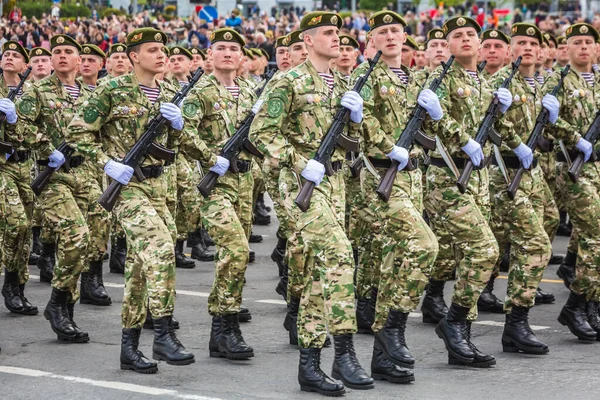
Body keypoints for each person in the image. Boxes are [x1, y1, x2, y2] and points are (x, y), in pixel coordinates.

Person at [250, 11, 374, 395]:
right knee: (338, 256)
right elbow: (261, 133)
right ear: (306, 41)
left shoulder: (343, 82)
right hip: (299, 187)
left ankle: (309, 366)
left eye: (338, 32)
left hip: (335, 184)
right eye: (327, 33)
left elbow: (357, 138)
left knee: (318, 276)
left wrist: (356, 117)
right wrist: (302, 161)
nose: (337, 38)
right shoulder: (287, 81)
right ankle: (344, 353)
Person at [67, 27, 195, 373]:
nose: (160, 55)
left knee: (139, 270)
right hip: (126, 190)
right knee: (160, 250)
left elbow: (187, 144)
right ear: (134, 56)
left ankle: (129, 347)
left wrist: (181, 125)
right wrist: (106, 163)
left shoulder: (171, 92)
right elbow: (78, 132)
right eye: (152, 49)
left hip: (160, 190)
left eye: (162, 49)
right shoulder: (112, 89)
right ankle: (164, 332)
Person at [350, 10, 439, 383]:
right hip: (379, 177)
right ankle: (393, 328)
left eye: (395, 31)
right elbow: (362, 122)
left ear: (405, 36)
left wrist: (434, 113)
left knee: (392, 263)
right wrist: (389, 147)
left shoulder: (414, 77)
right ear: (371, 40)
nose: (389, 37)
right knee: (424, 246)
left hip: (413, 179)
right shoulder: (364, 76)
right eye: (381, 32)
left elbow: (428, 127)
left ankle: (382, 358)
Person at [422, 16, 511, 367]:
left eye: (470, 34)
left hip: (478, 179)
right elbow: (429, 122)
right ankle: (454, 323)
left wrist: (514, 135)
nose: (465, 40)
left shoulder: (484, 82)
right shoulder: (439, 79)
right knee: (485, 250)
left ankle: (462, 336)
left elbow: (497, 128)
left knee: (469, 258)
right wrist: (459, 134)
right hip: (446, 179)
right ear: (447, 45)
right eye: (456, 36)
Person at [181, 28, 257, 361]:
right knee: (237, 248)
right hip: (215, 184)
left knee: (234, 256)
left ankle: (222, 328)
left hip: (245, 184)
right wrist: (212, 157)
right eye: (221, 48)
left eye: (233, 48)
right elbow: (181, 132)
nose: (227, 52)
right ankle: (226, 326)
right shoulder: (201, 91)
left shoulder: (252, 91)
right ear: (210, 55)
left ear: (242, 57)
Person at [13, 34, 93, 343]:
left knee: (78, 247)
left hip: (85, 176)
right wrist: (46, 145)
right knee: (76, 236)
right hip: (53, 175)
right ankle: (58, 303)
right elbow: (18, 125)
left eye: (68, 52)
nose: (61, 56)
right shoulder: (37, 91)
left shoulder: (91, 94)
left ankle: (66, 310)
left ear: (79, 60)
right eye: (56, 51)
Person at [487, 23, 555, 354]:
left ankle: (516, 309)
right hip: (506, 175)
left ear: (540, 51)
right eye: (520, 43)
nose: (527, 47)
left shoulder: (538, 85)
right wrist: (516, 143)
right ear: (511, 49)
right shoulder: (499, 84)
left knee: (547, 225)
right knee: (536, 243)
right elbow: (489, 126)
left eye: (532, 43)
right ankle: (515, 323)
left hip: (534, 174)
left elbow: (544, 131)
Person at [545, 23, 600, 342]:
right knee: (594, 236)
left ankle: (591, 302)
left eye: (587, 42)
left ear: (595, 48)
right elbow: (548, 122)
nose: (582, 47)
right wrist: (576, 137)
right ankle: (576, 305)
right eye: (576, 42)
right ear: (567, 48)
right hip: (573, 168)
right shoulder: (559, 79)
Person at [0, 41, 38, 317]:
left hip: (27, 166)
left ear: (25, 66)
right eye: (6, 54)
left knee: (26, 232)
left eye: (16, 56)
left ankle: (15, 286)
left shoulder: (33, 92)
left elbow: (38, 130)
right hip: (2, 166)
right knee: (16, 222)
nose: (9, 58)